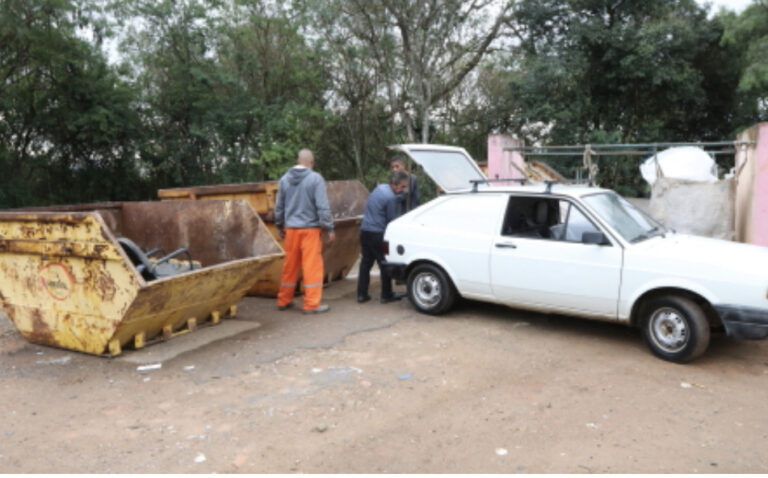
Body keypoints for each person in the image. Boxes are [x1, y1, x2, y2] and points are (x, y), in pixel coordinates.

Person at [274, 149, 335, 314]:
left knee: (290, 266)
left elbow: (279, 207)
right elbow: (322, 206)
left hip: (291, 230)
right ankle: (311, 304)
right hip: (309, 230)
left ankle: (284, 300)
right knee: (311, 267)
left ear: (298, 160)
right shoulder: (315, 179)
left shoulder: (285, 180)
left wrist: (279, 226)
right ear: (311, 163)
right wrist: (329, 227)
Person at [357, 170, 410, 304]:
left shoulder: (379, 188)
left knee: (365, 263)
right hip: (377, 233)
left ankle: (361, 294)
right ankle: (386, 294)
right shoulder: (391, 198)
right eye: (402, 187)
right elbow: (391, 220)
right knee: (384, 264)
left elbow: (384, 201)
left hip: (365, 230)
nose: (404, 190)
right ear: (395, 185)